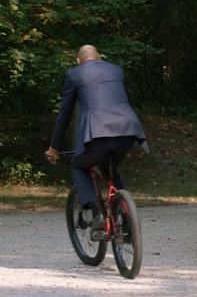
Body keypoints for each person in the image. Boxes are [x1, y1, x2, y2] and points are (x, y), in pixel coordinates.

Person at [46, 45, 147, 227]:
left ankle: (94, 215)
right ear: (99, 57)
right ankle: (125, 212)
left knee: (79, 165)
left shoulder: (74, 74)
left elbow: (65, 113)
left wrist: (55, 147)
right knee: (110, 169)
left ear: (78, 61)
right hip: (128, 129)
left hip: (97, 133)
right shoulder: (116, 70)